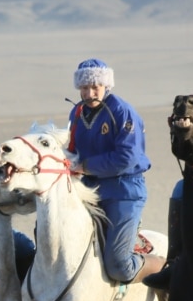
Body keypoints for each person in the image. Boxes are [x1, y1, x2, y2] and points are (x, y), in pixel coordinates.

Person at [65, 58, 162, 284]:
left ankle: (163, 267)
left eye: (95, 87)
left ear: (106, 86)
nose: (89, 93)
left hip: (123, 189)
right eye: (84, 88)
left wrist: (85, 166)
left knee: (119, 266)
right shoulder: (77, 113)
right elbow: (71, 149)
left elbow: (127, 157)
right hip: (89, 188)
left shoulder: (122, 112)